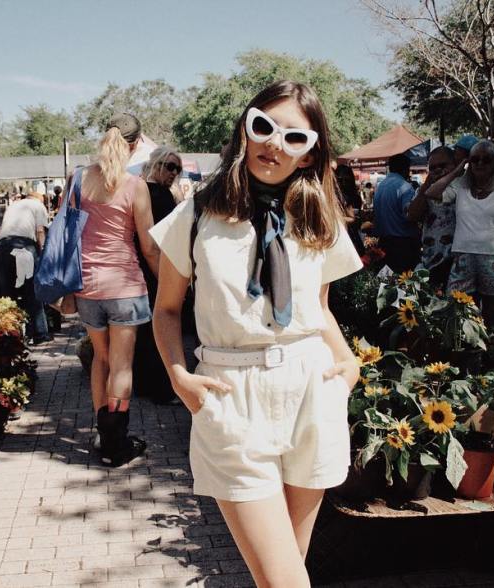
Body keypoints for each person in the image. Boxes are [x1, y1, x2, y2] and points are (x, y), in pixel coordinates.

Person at [151, 81, 362, 587]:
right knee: (283, 580)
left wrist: (349, 362)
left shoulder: (319, 215)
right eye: (263, 127)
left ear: (311, 154)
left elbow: (318, 308)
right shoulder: (196, 213)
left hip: (311, 389)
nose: (273, 144)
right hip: (231, 393)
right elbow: (166, 311)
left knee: (288, 568)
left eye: (294, 138)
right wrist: (179, 375)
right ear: (244, 129)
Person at [76, 112, 160, 467]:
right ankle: (115, 444)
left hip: (87, 287)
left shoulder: (78, 180)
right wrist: (169, 284)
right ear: (136, 143)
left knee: (101, 359)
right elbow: (149, 246)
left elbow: (67, 235)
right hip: (124, 286)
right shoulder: (135, 185)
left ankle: (103, 432)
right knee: (122, 366)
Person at [423, 140, 494, 327]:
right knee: (457, 309)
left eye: (486, 160)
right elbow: (431, 192)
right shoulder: (461, 186)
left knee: (490, 313)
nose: (479, 163)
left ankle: (489, 353)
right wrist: (457, 170)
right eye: (475, 159)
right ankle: (464, 348)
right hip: (463, 257)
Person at [132, 146, 182, 404]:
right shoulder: (160, 195)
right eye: (169, 166)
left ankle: (143, 384)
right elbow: (165, 240)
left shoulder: (138, 191)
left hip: (138, 267)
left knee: (144, 328)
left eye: (177, 168)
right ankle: (162, 389)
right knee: (160, 328)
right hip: (157, 266)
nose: (173, 172)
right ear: (156, 164)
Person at [0, 191, 51, 344]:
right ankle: (40, 333)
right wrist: (44, 253)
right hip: (23, 247)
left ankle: (12, 335)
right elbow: (40, 231)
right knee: (31, 290)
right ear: (40, 199)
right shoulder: (38, 205)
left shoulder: (14, 205)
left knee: (8, 293)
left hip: (2, 246)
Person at [407, 146, 457, 288]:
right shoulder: (425, 191)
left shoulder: (463, 188)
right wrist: (427, 184)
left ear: (454, 164)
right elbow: (412, 215)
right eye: (433, 167)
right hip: (432, 261)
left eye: (443, 165)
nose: (438, 170)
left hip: (458, 263)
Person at [374, 154, 420, 272]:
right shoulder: (405, 187)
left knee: (387, 282)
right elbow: (409, 215)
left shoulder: (380, 186)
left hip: (384, 242)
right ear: (406, 169)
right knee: (405, 284)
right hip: (403, 244)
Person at [335, 164, 365, 255]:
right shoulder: (334, 196)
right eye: (340, 179)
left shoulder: (355, 197)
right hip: (340, 241)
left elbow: (357, 219)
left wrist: (358, 218)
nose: (344, 183)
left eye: (347, 180)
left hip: (354, 238)